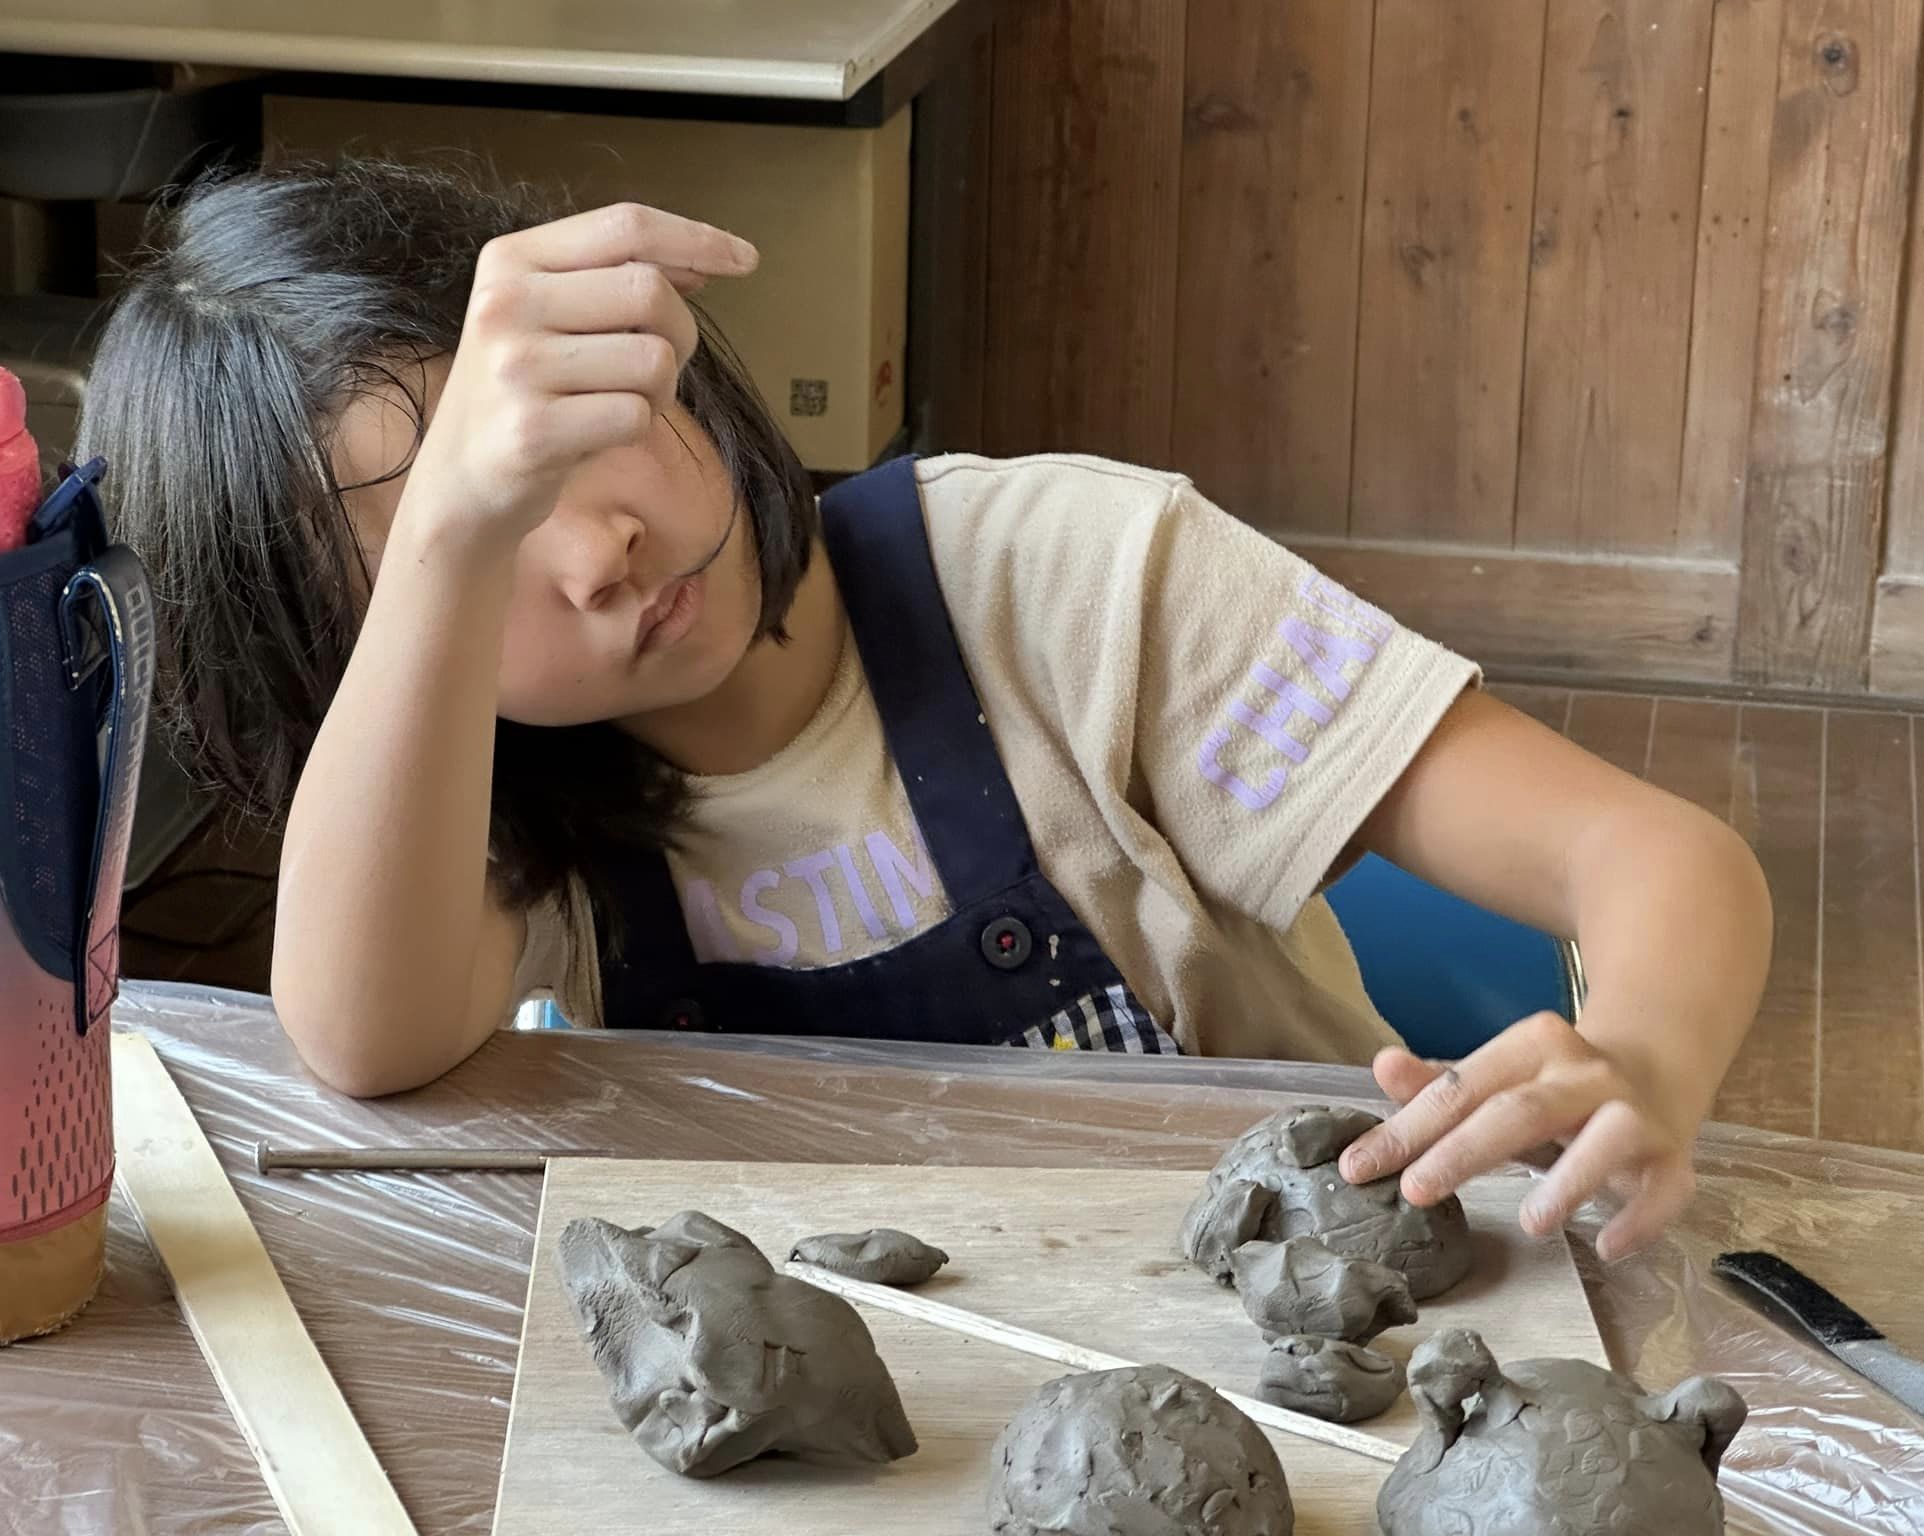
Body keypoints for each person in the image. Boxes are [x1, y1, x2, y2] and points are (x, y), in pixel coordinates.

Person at [80, 161, 1772, 1261]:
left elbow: (1657, 857)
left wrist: (1642, 1057)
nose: (595, 554)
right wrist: (445, 540)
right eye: (477, 543)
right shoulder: (496, 802)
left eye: (571, 434)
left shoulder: (1073, 577)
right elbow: (361, 1042)